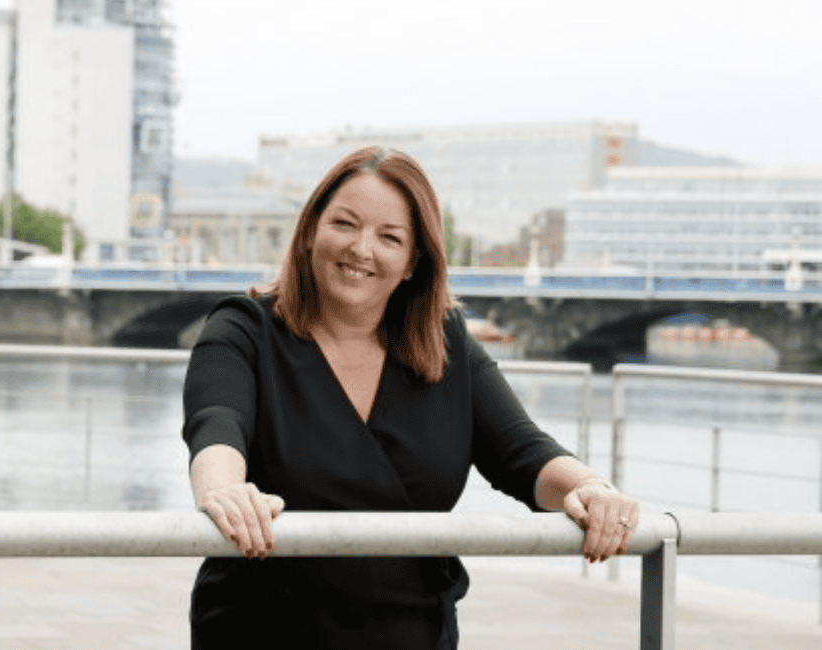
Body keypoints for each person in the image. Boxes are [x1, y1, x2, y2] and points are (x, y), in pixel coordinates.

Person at [182, 146, 639, 649]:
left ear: (412, 261)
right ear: (311, 229)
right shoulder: (243, 330)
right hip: (261, 633)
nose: (361, 248)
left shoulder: (444, 342)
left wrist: (591, 488)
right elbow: (216, 424)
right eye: (345, 223)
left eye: (389, 237)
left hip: (411, 634)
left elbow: (522, 453)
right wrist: (224, 493)